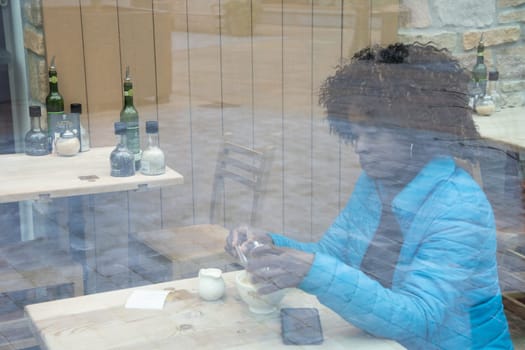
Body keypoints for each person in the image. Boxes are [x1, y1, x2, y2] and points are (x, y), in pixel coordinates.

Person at [225, 43, 514, 349]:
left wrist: (310, 269)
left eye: (373, 134)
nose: (360, 147)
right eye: (356, 134)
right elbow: (331, 255)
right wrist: (271, 245)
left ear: (418, 132)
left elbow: (418, 319)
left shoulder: (459, 206)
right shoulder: (377, 182)